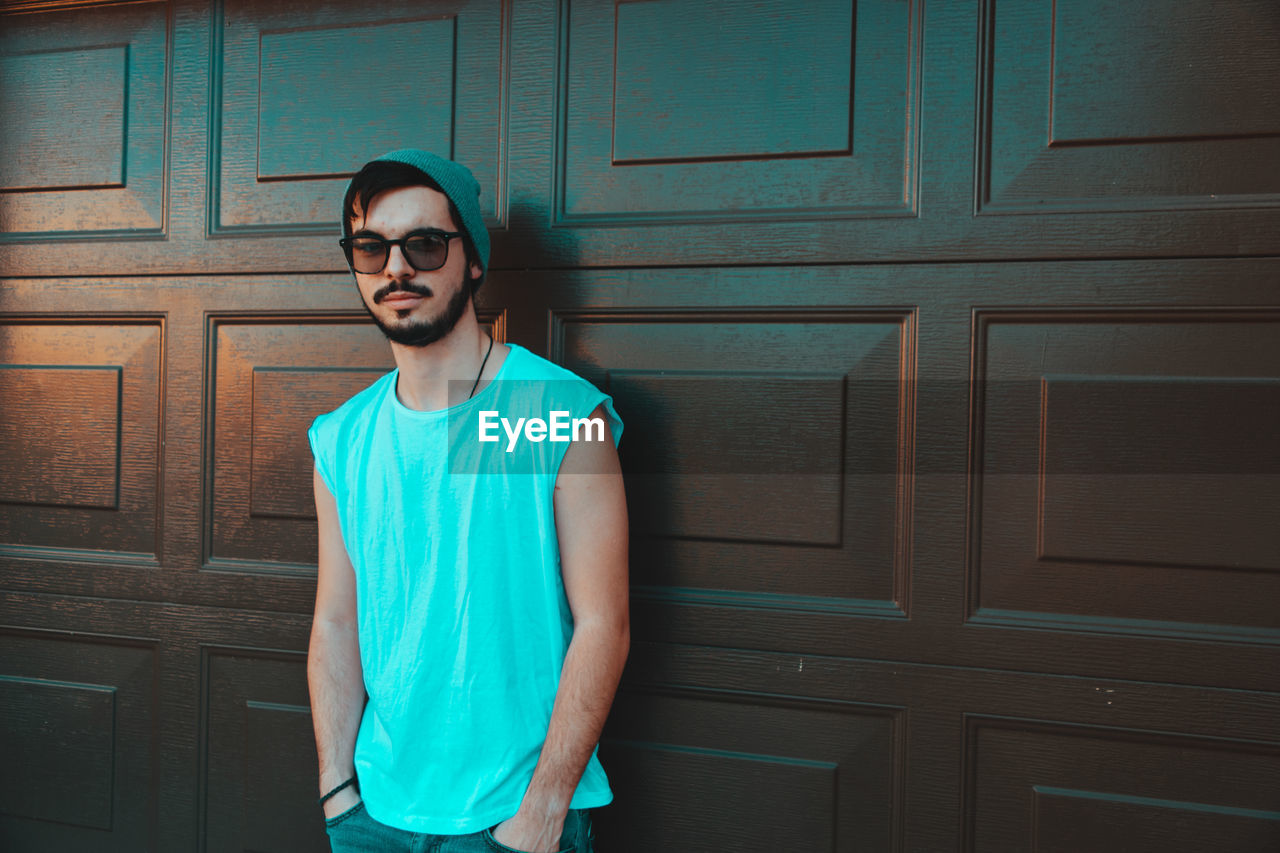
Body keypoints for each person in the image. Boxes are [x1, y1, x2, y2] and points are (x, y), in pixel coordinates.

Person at [307, 149, 630, 853]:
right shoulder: (341, 437)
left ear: (472, 261)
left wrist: (542, 811)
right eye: (372, 247)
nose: (397, 268)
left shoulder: (549, 411)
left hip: (509, 822)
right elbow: (336, 620)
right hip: (376, 815)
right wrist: (338, 789)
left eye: (424, 244)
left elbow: (604, 622)